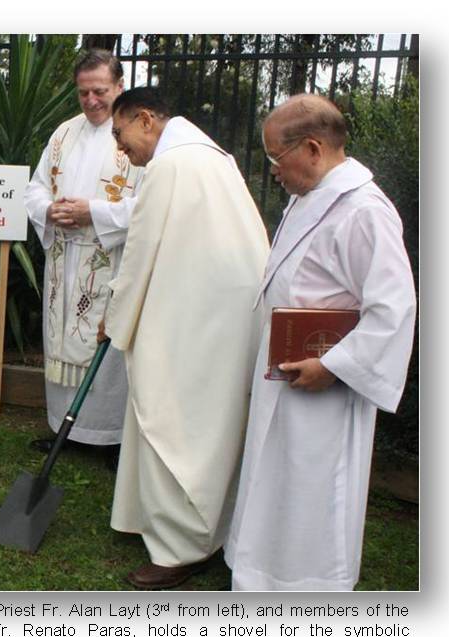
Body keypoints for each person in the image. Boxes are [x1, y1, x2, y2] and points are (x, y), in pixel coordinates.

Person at [224, 95, 416, 591]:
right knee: (275, 475)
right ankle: (260, 572)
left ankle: (309, 586)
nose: (273, 171)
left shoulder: (364, 211)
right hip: (286, 368)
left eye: (275, 158)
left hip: (324, 382)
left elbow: (394, 308)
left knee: (313, 483)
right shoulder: (310, 196)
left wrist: (333, 366)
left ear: (311, 148)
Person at [100, 87, 269, 589]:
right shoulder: (216, 158)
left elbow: (141, 250)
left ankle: (180, 548)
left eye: (120, 133)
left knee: (172, 421)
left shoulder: (169, 167)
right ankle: (169, 523)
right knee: (206, 426)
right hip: (223, 313)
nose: (120, 149)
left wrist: (116, 315)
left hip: (192, 319)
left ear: (147, 120)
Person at [22, 49, 141, 468]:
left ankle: (110, 437)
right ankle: (64, 428)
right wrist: (49, 210)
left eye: (100, 91)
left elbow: (149, 205)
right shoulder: (63, 134)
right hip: (64, 260)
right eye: (83, 92)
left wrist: (93, 211)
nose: (91, 101)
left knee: (105, 345)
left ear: (120, 86)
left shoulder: (137, 135)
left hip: (109, 260)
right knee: (61, 336)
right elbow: (35, 188)